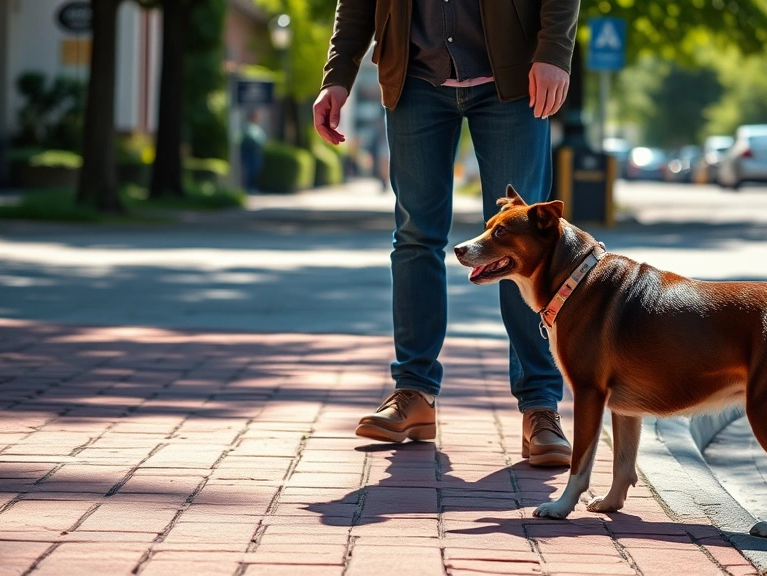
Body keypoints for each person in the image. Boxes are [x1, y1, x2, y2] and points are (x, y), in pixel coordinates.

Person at [313, 0, 580, 466]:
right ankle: (413, 393)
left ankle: (540, 406)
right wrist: (337, 74)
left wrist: (554, 51)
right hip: (414, 78)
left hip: (514, 81)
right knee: (415, 237)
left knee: (531, 249)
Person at [240, 109, 266, 194]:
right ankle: (250, 188)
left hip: (256, 152)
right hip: (251, 152)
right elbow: (252, 139)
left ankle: (252, 187)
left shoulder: (256, 127)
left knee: (255, 170)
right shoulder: (248, 127)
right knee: (251, 171)